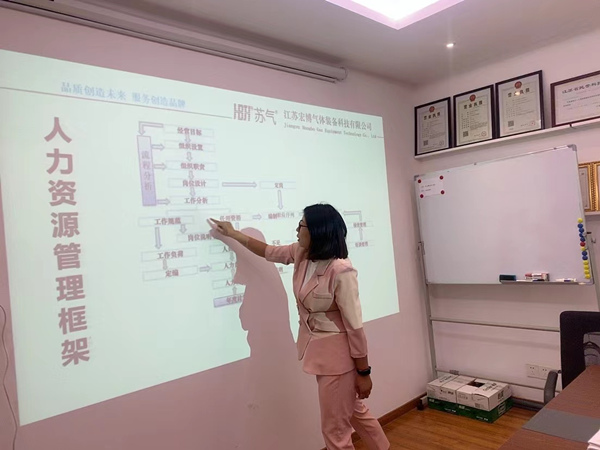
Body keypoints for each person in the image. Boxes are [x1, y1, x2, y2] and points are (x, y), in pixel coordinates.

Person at [210, 203, 390, 450]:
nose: (297, 230)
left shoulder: (341, 271)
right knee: (354, 412)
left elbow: (355, 327)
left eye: (301, 225)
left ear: (317, 231)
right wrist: (233, 234)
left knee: (335, 430)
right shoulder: (302, 254)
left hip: (338, 360)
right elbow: (267, 251)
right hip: (320, 352)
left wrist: (364, 372)